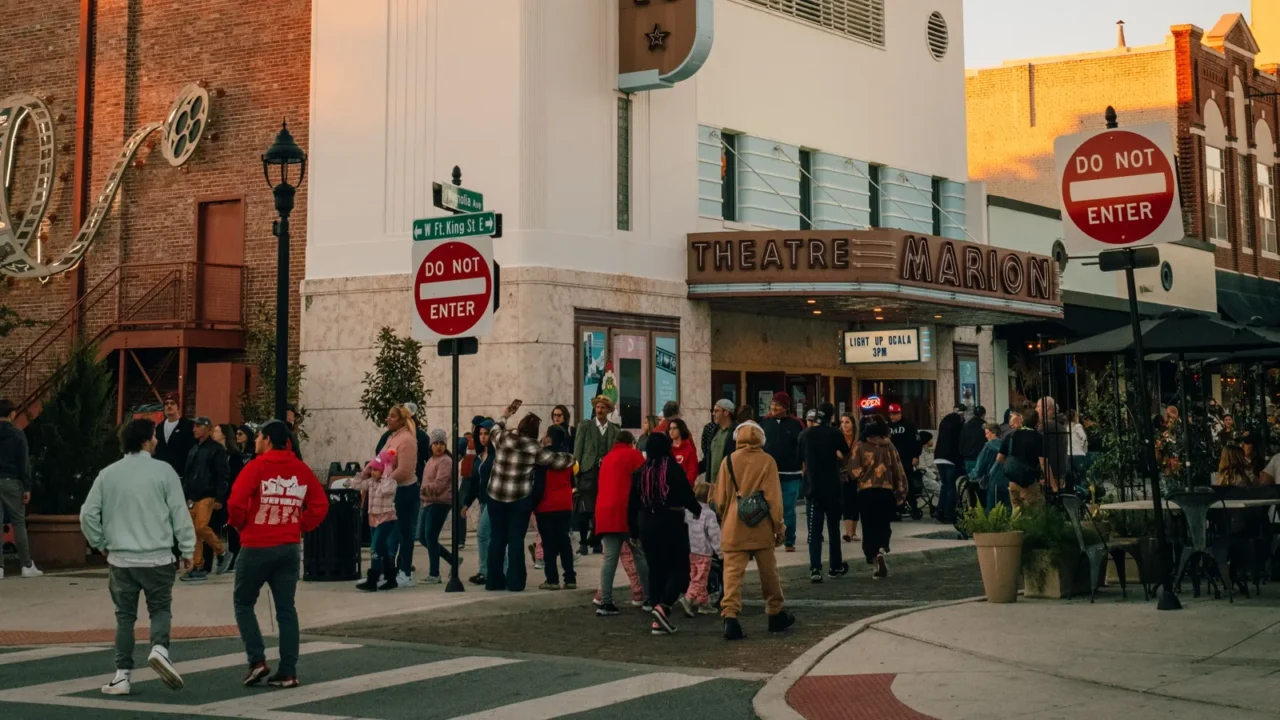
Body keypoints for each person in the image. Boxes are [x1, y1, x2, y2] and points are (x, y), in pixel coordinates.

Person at [80, 418, 195, 695]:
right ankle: (159, 649)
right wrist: (188, 548)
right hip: (158, 557)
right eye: (154, 436)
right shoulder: (164, 471)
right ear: (147, 439)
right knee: (160, 609)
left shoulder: (108, 474)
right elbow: (179, 512)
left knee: (124, 618)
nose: (156, 440)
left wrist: (100, 543)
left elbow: (87, 514)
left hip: (121, 559)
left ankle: (122, 676)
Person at [228, 419, 328, 688]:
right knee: (286, 609)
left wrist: (241, 525)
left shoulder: (255, 467)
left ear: (267, 440)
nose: (256, 440)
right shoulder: (301, 470)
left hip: (256, 544)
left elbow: (235, 502)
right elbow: (320, 504)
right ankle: (288, 671)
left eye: (259, 436)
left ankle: (257, 660)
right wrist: (299, 524)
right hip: (288, 546)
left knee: (243, 602)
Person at [713, 421, 794, 640]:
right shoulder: (767, 461)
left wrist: (727, 514)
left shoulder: (727, 461)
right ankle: (775, 613)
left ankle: (730, 617)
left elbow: (719, 500)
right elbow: (774, 499)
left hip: (733, 527)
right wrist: (779, 527)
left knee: (731, 575)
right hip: (762, 527)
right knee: (769, 573)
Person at [486, 400, 575, 592]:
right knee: (515, 540)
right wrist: (571, 458)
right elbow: (554, 461)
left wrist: (505, 414)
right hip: (519, 499)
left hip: (495, 495)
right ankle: (515, 582)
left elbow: (494, 428)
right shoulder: (534, 447)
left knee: (497, 539)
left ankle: (493, 581)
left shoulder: (503, 438)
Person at [627, 432, 702, 635]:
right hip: (670, 522)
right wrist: (697, 510)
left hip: (646, 524)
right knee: (680, 569)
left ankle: (657, 618)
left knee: (656, 570)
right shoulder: (672, 469)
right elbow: (687, 495)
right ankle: (664, 606)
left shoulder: (640, 472)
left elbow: (632, 505)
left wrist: (633, 531)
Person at [593, 431, 650, 615]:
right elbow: (644, 481)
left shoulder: (607, 458)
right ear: (631, 442)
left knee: (609, 558)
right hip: (627, 513)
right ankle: (649, 597)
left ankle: (606, 601)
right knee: (640, 554)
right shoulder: (634, 455)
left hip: (605, 513)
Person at [849, 418, 909, 579]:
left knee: (869, 527)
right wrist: (901, 492)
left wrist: (864, 474)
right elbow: (898, 470)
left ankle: (874, 559)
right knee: (884, 525)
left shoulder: (859, 446)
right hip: (886, 491)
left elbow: (853, 471)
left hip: (866, 492)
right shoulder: (889, 446)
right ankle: (883, 548)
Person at [375, 403, 425, 588]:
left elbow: (404, 470)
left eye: (392, 416)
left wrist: (384, 480)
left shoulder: (407, 440)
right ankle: (388, 572)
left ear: (402, 420)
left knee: (404, 533)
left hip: (405, 491)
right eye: (388, 415)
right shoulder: (391, 438)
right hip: (391, 491)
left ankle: (404, 572)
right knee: (388, 534)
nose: (388, 419)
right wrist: (365, 474)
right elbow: (379, 460)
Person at [802, 404, 851, 583]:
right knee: (833, 529)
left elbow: (799, 460)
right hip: (832, 487)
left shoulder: (806, 435)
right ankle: (835, 566)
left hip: (813, 488)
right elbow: (845, 453)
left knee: (814, 532)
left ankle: (815, 568)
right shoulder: (835, 434)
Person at [181, 417, 230, 582]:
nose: (195, 429)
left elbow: (222, 474)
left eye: (198, 426)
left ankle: (221, 551)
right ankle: (198, 565)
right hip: (193, 495)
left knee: (201, 527)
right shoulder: (194, 449)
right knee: (195, 532)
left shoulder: (216, 449)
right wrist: (186, 494)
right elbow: (188, 473)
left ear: (207, 429)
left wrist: (220, 497)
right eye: (194, 426)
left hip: (207, 494)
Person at [348, 448, 400, 591]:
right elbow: (356, 484)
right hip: (373, 519)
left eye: (377, 469)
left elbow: (386, 491)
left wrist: (386, 475)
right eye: (373, 469)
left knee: (375, 548)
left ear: (384, 470)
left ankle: (373, 579)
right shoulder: (370, 482)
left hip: (386, 519)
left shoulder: (390, 482)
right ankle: (391, 578)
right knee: (382, 550)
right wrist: (364, 471)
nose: (373, 472)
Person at [574, 396, 619, 555]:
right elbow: (577, 451)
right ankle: (583, 542)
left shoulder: (614, 430)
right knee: (585, 509)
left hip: (605, 474)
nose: (599, 410)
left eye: (602, 408)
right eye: (597, 407)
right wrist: (576, 473)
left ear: (608, 411)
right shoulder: (585, 426)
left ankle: (597, 541)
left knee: (600, 509)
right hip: (587, 471)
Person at [760, 392, 804, 552]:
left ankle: (789, 539)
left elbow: (802, 446)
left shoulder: (796, 424)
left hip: (791, 474)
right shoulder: (764, 423)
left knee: (788, 508)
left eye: (777, 405)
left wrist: (803, 465)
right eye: (772, 404)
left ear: (785, 408)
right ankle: (770, 537)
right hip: (768, 475)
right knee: (768, 508)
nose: (773, 407)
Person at [533, 425, 576, 590]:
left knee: (548, 543)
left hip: (546, 505)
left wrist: (533, 504)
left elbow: (539, 486)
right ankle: (570, 578)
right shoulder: (568, 458)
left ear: (549, 438)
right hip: (565, 504)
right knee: (564, 542)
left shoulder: (543, 459)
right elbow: (572, 482)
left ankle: (552, 579)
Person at [0, 398, 39, 579]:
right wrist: (27, 486)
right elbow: (24, 462)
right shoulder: (17, 434)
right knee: (18, 523)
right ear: (12, 414)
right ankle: (26, 565)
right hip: (11, 481)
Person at [417, 429, 459, 584]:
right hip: (428, 502)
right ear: (431, 445)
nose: (439, 446)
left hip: (440, 503)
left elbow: (439, 484)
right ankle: (453, 560)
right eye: (436, 443)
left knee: (430, 537)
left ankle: (434, 574)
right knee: (423, 537)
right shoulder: (431, 460)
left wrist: (421, 490)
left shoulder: (446, 461)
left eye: (442, 443)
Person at [678, 480, 721, 617]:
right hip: (704, 551)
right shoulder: (709, 514)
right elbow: (714, 535)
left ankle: (703, 603)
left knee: (694, 576)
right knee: (701, 578)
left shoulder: (687, 512)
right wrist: (721, 552)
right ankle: (688, 598)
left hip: (691, 550)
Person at [465, 419, 496, 585]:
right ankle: (487, 570)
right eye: (481, 434)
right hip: (483, 500)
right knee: (490, 536)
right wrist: (467, 503)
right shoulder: (478, 456)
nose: (483, 437)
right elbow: (475, 482)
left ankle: (487, 570)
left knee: (483, 534)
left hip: (494, 501)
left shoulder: (495, 455)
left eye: (486, 434)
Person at [999, 410, 1045, 511]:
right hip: (1029, 482)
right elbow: (1042, 462)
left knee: (1017, 512)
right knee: (1035, 511)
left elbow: (999, 458)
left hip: (1013, 482)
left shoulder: (1011, 436)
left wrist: (1012, 467)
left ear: (1022, 420)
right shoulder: (1037, 437)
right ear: (1037, 423)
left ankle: (1015, 527)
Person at [885, 404, 921, 517]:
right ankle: (896, 509)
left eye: (895, 414)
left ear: (900, 413)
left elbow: (917, 441)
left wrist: (916, 456)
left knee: (907, 484)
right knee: (893, 486)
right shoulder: (886, 427)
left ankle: (914, 508)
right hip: (890, 462)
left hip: (906, 460)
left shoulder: (909, 425)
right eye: (891, 414)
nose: (892, 416)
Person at [934, 404, 966, 523]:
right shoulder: (959, 423)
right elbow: (960, 441)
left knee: (945, 485)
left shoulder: (945, 420)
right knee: (952, 486)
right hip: (951, 458)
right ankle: (948, 514)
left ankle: (939, 511)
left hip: (939, 457)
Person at [154, 393, 195, 478]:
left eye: (172, 403)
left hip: (180, 475)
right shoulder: (159, 427)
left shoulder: (187, 425)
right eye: (166, 403)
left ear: (177, 407)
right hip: (161, 474)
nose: (169, 406)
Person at [971, 423, 1008, 510]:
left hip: (993, 479)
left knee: (992, 508)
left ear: (994, 433)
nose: (985, 436)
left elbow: (980, 465)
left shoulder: (988, 446)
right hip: (1007, 479)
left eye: (987, 433)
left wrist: (972, 476)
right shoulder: (1005, 445)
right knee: (1007, 507)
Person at [702, 399, 738, 486]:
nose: (713, 414)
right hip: (713, 484)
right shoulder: (713, 431)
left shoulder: (737, 431)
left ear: (726, 412)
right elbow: (708, 456)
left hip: (729, 484)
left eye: (716, 411)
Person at [1037, 397, 1069, 493]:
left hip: (1049, 477)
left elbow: (1042, 456)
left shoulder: (1047, 426)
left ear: (1046, 408)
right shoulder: (1059, 425)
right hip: (1059, 473)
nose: (1036, 410)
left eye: (1038, 406)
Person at [838, 412, 860, 542]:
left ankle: (854, 532)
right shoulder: (838, 436)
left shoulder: (858, 437)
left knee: (855, 502)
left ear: (853, 424)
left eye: (847, 422)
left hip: (856, 473)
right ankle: (847, 532)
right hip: (842, 473)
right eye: (842, 422)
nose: (844, 425)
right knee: (846, 501)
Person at [667, 418, 699, 486]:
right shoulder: (667, 449)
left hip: (685, 487)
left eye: (674, 428)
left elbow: (692, 471)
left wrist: (684, 486)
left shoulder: (689, 450)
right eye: (670, 428)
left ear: (680, 430)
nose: (671, 431)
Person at [959, 405, 988, 478]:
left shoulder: (966, 425)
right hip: (981, 458)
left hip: (968, 458)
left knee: (969, 482)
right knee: (981, 483)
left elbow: (962, 441)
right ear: (984, 414)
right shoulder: (985, 426)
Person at [1068, 410, 1090, 480]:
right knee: (1082, 477)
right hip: (1078, 453)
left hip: (1068, 454)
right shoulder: (1077, 426)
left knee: (1070, 477)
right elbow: (1083, 437)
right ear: (1074, 417)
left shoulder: (1065, 426)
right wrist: (1082, 446)